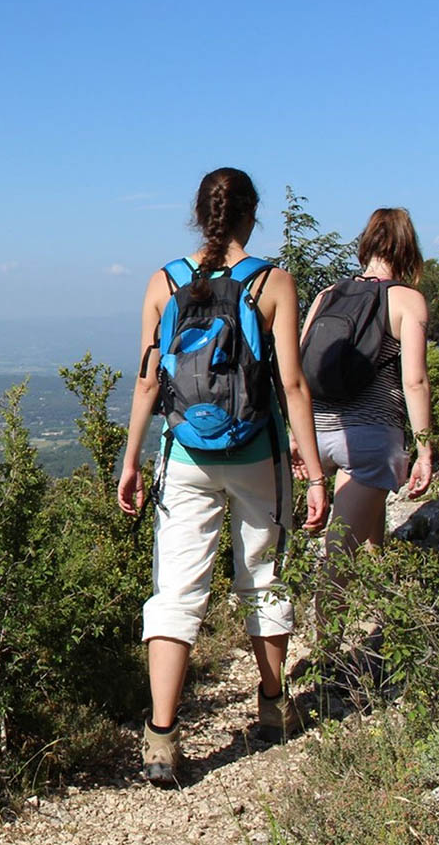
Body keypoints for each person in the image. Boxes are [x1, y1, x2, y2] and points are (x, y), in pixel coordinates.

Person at [117, 167, 329, 785]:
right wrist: (314, 474)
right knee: (261, 577)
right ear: (250, 215)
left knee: (175, 592)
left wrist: (131, 461)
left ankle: (160, 739)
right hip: (256, 456)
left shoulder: (165, 281)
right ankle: (272, 708)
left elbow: (148, 379)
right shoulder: (273, 282)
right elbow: (291, 384)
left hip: (183, 456)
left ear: (198, 212)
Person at [292, 207, 433, 650]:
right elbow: (414, 380)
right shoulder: (407, 300)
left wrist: (299, 440)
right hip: (371, 440)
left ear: (367, 245)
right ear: (407, 249)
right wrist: (425, 448)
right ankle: (326, 659)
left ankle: (382, 577)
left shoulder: (327, 295)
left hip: (319, 437)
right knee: (337, 557)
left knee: (358, 521)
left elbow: (296, 373)